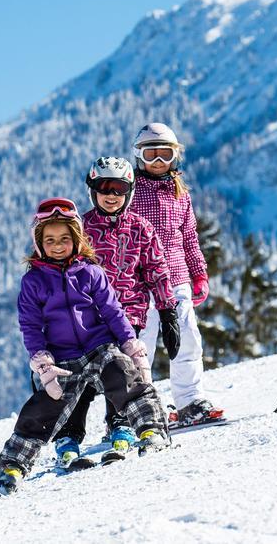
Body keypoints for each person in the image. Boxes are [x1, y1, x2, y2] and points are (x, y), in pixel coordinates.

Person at [0, 197, 170, 496]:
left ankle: (151, 429)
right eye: (50, 240)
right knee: (47, 402)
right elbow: (30, 326)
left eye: (65, 238)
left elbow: (113, 311)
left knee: (122, 373)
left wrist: (130, 345)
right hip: (62, 355)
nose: (58, 245)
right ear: (39, 243)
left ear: (76, 239)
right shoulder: (33, 282)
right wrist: (44, 363)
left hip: (98, 343)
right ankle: (13, 465)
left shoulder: (91, 272)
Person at [50, 157, 182, 464]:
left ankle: (121, 425)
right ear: (92, 189)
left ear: (130, 191)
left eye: (120, 189)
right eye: (104, 188)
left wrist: (167, 312)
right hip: (84, 319)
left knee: (122, 371)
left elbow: (156, 271)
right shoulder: (80, 230)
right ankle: (68, 435)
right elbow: (59, 272)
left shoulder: (140, 229)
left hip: (128, 315)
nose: (112, 195)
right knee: (78, 377)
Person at [130, 123, 223, 425]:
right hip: (139, 282)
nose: (158, 161)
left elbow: (189, 236)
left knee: (187, 339)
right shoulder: (129, 192)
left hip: (176, 277)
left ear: (175, 156)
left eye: (165, 154)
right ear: (138, 156)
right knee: (139, 343)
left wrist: (198, 274)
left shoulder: (179, 192)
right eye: (151, 154)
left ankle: (189, 401)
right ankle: (133, 409)